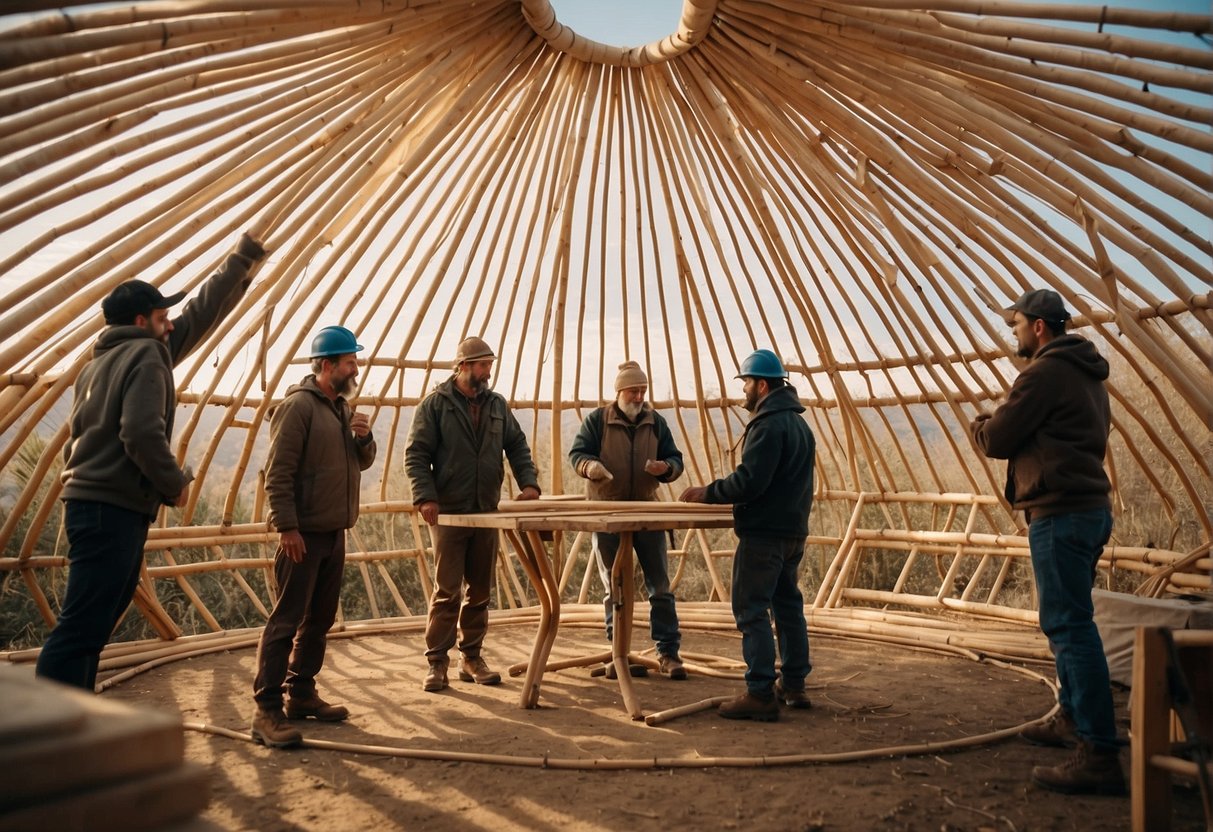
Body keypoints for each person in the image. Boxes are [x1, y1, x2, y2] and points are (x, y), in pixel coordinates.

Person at [35, 233, 267, 691]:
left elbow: (198, 317)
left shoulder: (103, 359)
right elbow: (140, 432)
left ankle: (70, 721)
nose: (171, 323)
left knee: (92, 622)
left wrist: (241, 266)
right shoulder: (146, 354)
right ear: (143, 321)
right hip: (110, 507)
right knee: (83, 626)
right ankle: (44, 732)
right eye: (163, 317)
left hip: (93, 502)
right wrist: (175, 483)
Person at [970, 289, 1124, 795]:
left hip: (1060, 512)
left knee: (1069, 626)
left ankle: (1099, 752)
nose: (1012, 333)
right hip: (1088, 508)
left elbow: (998, 438)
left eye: (1016, 324)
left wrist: (978, 424)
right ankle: (1072, 721)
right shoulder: (1088, 375)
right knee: (1069, 621)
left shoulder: (1042, 373)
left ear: (1038, 326)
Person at [250, 325, 377, 749]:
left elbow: (360, 463)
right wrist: (286, 526)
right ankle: (266, 710)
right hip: (302, 532)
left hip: (333, 530)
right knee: (286, 619)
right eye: (349, 362)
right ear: (328, 366)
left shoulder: (340, 408)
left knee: (319, 619)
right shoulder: (298, 408)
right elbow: (278, 472)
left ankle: (301, 693)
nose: (355, 368)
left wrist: (364, 438)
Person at [680, 349, 815, 721]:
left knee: (751, 608)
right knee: (788, 607)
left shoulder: (769, 425)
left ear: (763, 384)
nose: (744, 392)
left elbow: (750, 482)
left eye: (747, 384)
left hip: (765, 535)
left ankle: (759, 693)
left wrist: (708, 492)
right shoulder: (799, 424)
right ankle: (793, 684)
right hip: (792, 532)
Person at [405, 337, 541, 693]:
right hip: (449, 513)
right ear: (464, 367)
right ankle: (437, 662)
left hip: (486, 510)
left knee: (480, 590)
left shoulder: (497, 405)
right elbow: (416, 454)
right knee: (447, 591)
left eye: (490, 365)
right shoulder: (436, 405)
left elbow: (517, 445)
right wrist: (425, 497)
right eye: (483, 365)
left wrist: (529, 484)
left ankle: (472, 657)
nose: (488, 372)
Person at [569, 360, 688, 680]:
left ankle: (668, 652)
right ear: (619, 391)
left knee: (659, 586)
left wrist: (666, 469)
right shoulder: (598, 420)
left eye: (643, 391)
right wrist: (588, 467)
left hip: (648, 511)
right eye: (634, 390)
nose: (639, 397)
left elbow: (676, 459)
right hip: (605, 512)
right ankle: (618, 652)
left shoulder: (655, 422)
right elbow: (577, 454)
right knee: (615, 586)